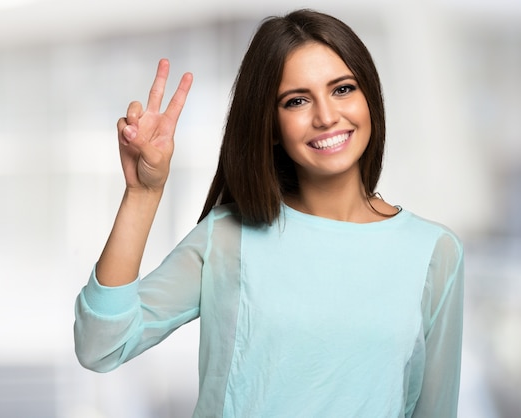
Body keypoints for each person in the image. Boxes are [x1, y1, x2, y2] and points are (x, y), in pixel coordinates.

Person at [74, 9, 464, 418]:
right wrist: (142, 193)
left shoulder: (434, 253)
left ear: (370, 98)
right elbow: (101, 345)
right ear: (272, 126)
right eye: (297, 100)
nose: (326, 116)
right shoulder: (228, 237)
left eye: (343, 89)